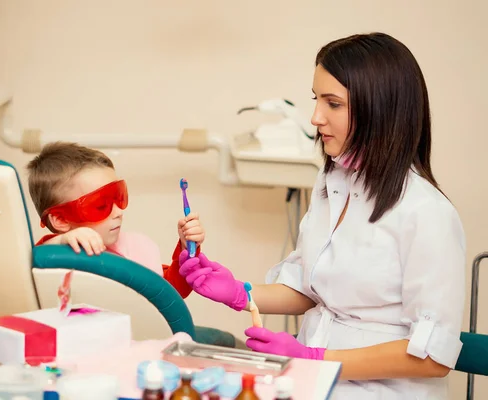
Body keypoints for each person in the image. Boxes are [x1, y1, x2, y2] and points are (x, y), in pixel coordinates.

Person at [178, 32, 465, 399]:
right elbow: (311, 289)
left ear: (380, 109)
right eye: (317, 100)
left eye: (333, 104)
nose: (315, 117)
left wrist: (314, 357)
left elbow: (433, 358)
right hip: (313, 381)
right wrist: (240, 292)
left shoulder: (427, 213)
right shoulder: (332, 182)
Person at [27, 141, 205, 298]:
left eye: (118, 196)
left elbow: (169, 293)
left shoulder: (131, 250)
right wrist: (62, 242)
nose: (119, 211)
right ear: (61, 219)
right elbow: (36, 261)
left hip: (143, 334)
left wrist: (186, 248)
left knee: (223, 337)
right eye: (100, 205)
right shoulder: (50, 257)